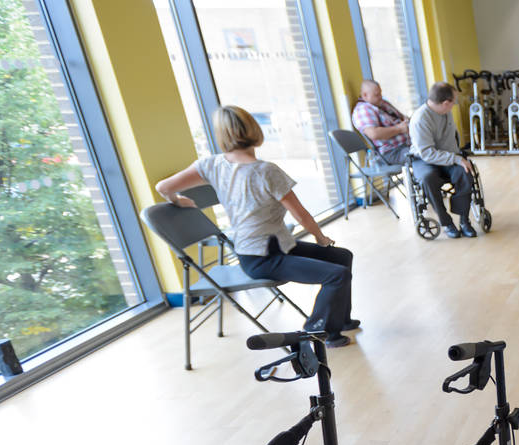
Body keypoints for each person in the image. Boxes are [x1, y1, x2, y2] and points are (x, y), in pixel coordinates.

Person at [155, 106, 357, 348]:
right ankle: (317, 331)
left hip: (266, 249)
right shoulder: (266, 171)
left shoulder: (211, 165)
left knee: (342, 257)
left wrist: (178, 200)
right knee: (337, 274)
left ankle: (340, 320)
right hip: (264, 258)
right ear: (254, 130)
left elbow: (163, 187)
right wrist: (321, 238)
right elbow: (300, 215)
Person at [409, 81, 476, 238]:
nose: (454, 105)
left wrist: (459, 159)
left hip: (447, 155)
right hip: (424, 159)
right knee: (427, 179)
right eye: (454, 101)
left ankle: (464, 220)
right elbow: (427, 153)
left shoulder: (445, 112)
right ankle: (447, 222)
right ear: (446, 103)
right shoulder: (420, 119)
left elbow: (451, 140)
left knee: (464, 173)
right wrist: (455, 159)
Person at [351, 79, 410, 166]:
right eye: (377, 95)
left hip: (407, 145)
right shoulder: (363, 109)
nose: (380, 97)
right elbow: (374, 133)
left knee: (433, 148)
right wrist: (399, 129)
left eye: (380, 93)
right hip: (391, 152)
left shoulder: (381, 103)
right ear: (365, 95)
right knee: (426, 155)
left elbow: (401, 117)